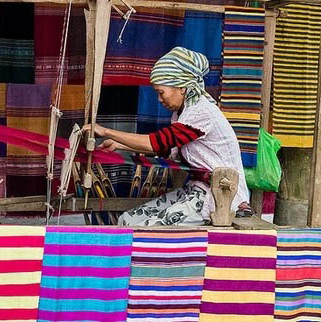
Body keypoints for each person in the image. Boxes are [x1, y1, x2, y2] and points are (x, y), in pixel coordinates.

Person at [83, 46, 251, 226]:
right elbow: (166, 148)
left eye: (161, 92)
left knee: (145, 228)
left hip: (220, 197)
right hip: (198, 190)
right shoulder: (183, 113)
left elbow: (156, 144)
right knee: (127, 220)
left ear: (182, 88)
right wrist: (119, 145)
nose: (159, 99)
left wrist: (106, 131)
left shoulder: (202, 113)